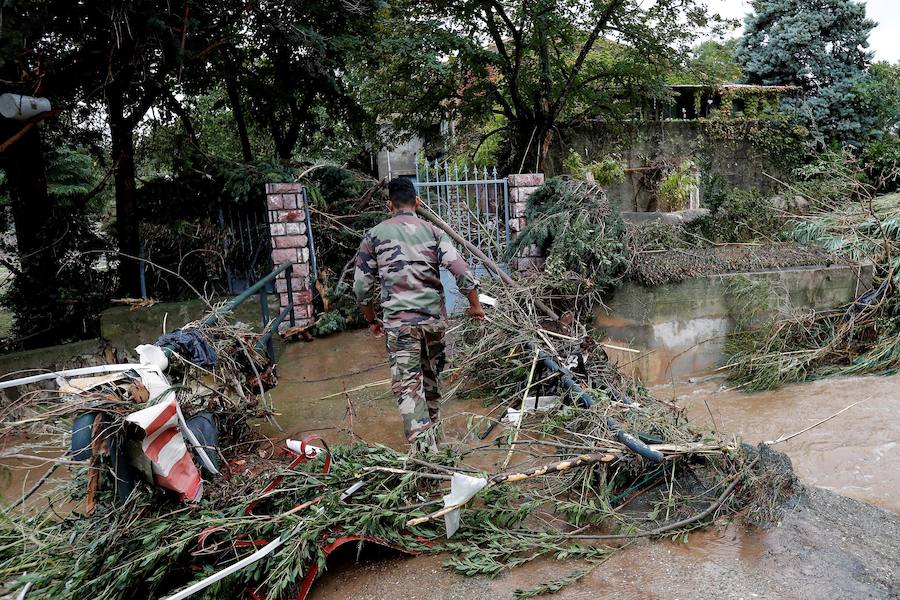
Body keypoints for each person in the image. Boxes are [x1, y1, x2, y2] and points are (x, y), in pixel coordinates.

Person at [353, 177, 485, 445]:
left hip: (400, 327)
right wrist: (475, 306)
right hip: (434, 324)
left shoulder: (374, 236)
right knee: (431, 381)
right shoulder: (434, 232)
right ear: (417, 202)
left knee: (409, 390)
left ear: (389, 204)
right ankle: (434, 439)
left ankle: (426, 461)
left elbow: (361, 289)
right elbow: (461, 272)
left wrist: (372, 320)